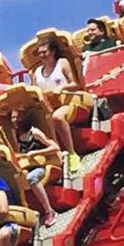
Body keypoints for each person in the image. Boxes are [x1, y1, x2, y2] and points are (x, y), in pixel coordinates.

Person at [31, 37, 83, 174]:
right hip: (48, 106)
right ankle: (54, 156)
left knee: (57, 117)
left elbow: (75, 84)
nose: (42, 55)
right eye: (39, 52)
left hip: (68, 101)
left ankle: (72, 154)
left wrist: (62, 88)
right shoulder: (37, 72)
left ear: (53, 51)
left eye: (44, 51)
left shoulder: (62, 63)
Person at [13, 113, 58, 227]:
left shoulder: (35, 133)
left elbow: (54, 147)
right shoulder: (17, 135)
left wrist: (36, 152)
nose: (13, 120)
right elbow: (22, 152)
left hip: (41, 165)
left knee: (31, 178)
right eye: (12, 118)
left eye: (16, 118)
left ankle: (49, 211)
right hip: (28, 166)